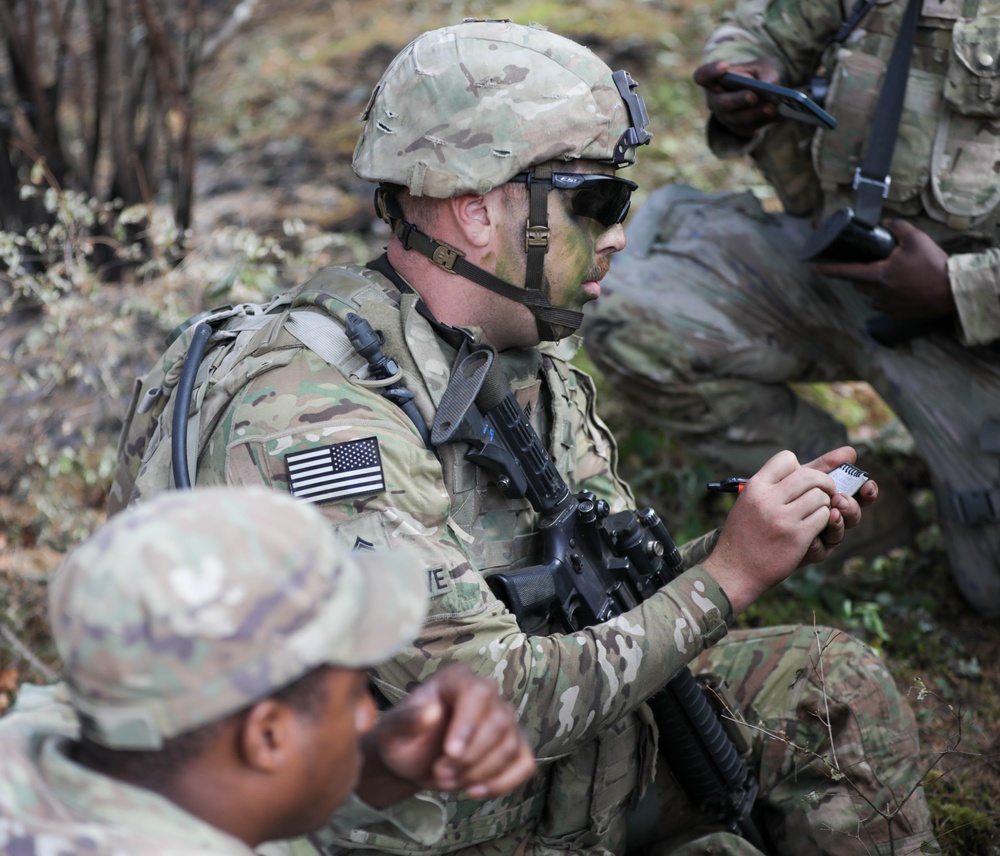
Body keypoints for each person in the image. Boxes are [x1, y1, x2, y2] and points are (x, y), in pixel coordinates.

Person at [107, 19, 938, 856]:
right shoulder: (318, 424)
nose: (617, 233)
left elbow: (593, 600)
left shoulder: (510, 354)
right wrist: (727, 579)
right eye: (594, 203)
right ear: (475, 213)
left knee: (831, 691)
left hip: (528, 780)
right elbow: (487, 698)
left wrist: (754, 545)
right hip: (395, 822)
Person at [579, 0, 1000, 614]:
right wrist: (746, 75)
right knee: (630, 315)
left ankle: (945, 465)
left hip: (975, 327)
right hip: (840, 266)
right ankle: (853, 508)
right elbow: (759, 26)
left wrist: (961, 287)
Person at [0, 486, 536, 854]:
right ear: (268, 735)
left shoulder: (31, 749)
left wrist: (373, 766)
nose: (366, 718)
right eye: (355, 693)